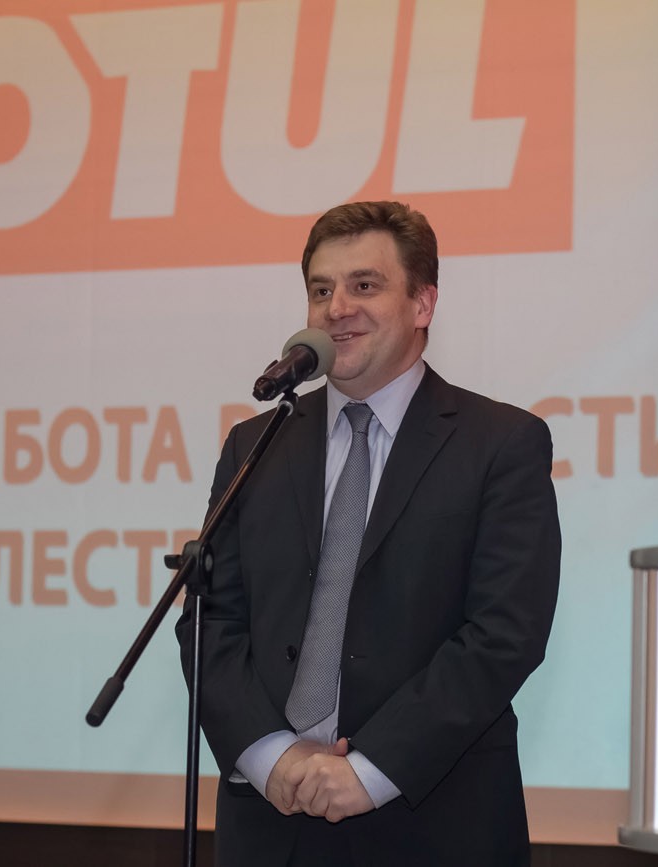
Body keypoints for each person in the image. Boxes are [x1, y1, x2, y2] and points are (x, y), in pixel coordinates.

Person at [179, 201, 562, 865]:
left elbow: (504, 632)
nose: (336, 309)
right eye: (320, 290)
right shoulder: (255, 444)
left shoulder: (501, 444)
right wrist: (270, 756)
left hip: (433, 820)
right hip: (270, 823)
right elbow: (210, 621)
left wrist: (373, 767)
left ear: (423, 303)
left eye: (364, 285)